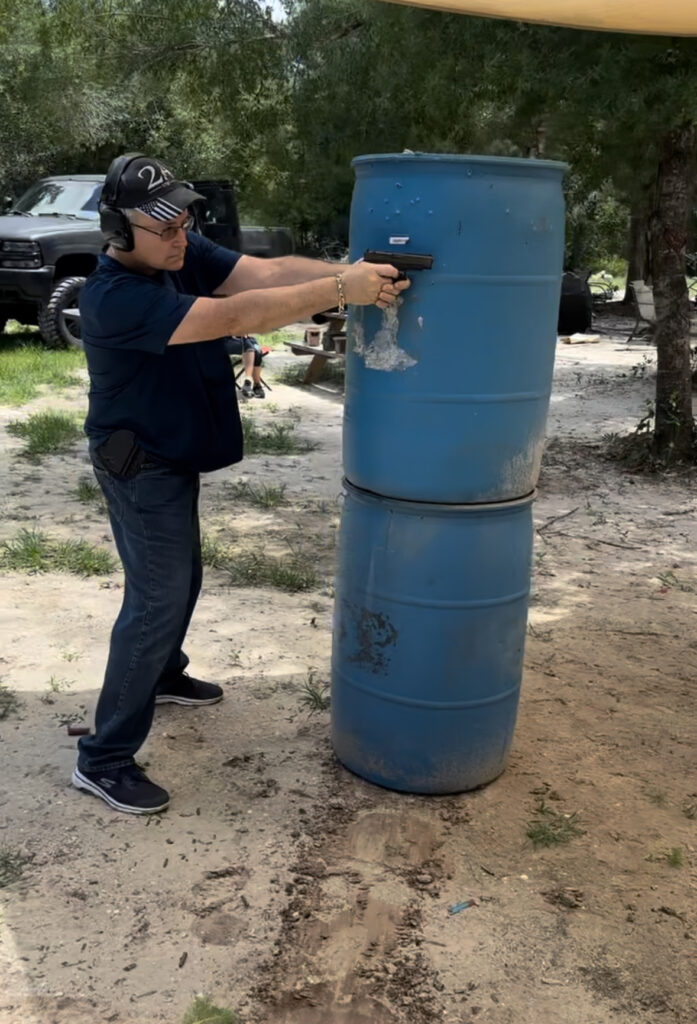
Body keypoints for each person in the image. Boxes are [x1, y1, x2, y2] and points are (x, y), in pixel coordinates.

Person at [72, 153, 409, 815]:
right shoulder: (113, 298)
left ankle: (162, 676)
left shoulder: (174, 252)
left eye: (184, 220)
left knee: (178, 580)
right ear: (118, 230)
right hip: (139, 461)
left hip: (167, 447)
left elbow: (268, 271)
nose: (180, 235)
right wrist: (344, 290)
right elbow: (238, 314)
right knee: (156, 599)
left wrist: (355, 272)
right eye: (163, 226)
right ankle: (103, 759)